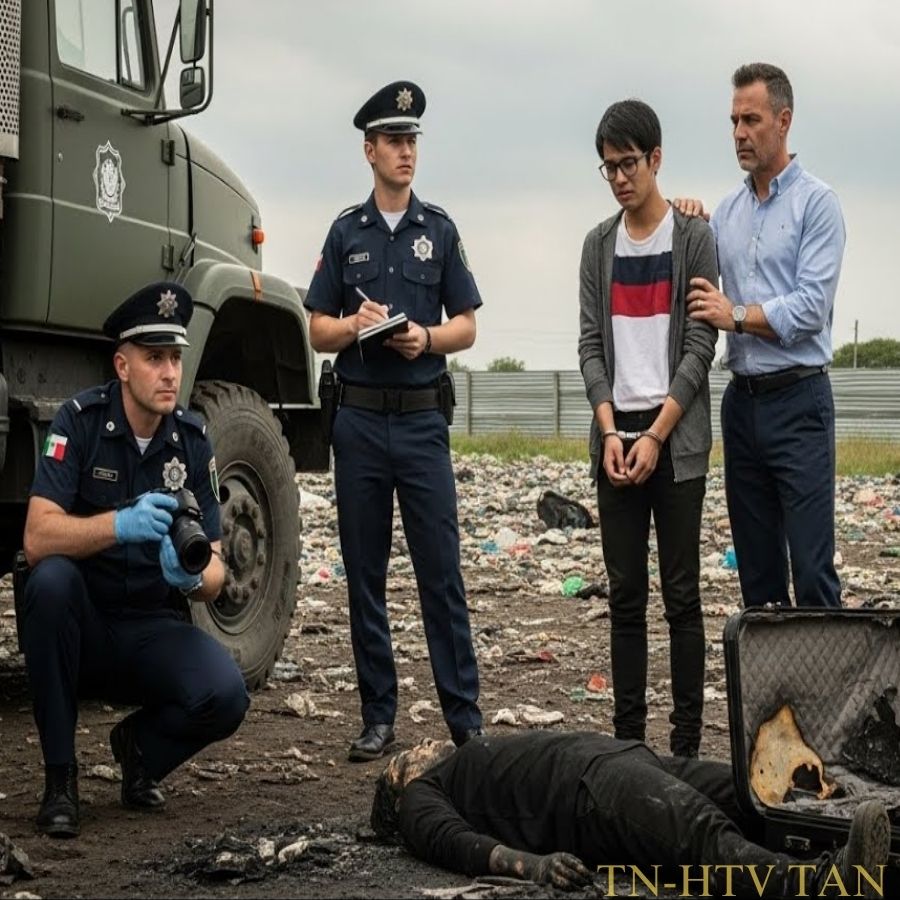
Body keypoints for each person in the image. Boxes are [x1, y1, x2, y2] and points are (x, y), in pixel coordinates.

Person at [21, 282, 250, 838]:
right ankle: (60, 779)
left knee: (227, 694)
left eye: (175, 357)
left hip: (152, 624)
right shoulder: (78, 423)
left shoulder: (193, 441)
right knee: (46, 582)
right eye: (154, 359)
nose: (170, 372)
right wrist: (116, 525)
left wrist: (192, 575)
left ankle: (140, 752)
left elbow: (218, 572)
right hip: (87, 625)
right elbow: (36, 536)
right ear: (122, 366)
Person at [304, 81, 483, 761]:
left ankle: (464, 718)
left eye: (413, 141)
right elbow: (317, 327)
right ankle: (378, 716)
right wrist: (354, 325)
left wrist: (426, 340)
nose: (407, 152)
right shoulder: (344, 232)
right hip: (358, 423)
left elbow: (466, 324)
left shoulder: (438, 230)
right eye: (395, 141)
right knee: (365, 575)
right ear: (369, 150)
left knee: (442, 574)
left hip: (419, 421)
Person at [578, 99, 718, 758]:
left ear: (655, 158)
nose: (618, 178)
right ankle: (628, 748)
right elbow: (589, 346)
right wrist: (610, 431)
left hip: (675, 435)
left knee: (681, 595)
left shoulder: (692, 237)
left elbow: (699, 347)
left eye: (628, 164)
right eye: (608, 167)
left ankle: (686, 748)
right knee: (627, 596)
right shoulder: (598, 244)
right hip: (616, 433)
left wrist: (656, 435)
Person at [686, 63, 845, 609]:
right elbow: (698, 276)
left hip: (799, 401)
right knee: (757, 577)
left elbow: (810, 309)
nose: (738, 133)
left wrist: (734, 316)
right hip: (743, 406)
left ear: (783, 120)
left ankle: (826, 696)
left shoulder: (817, 205)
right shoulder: (726, 212)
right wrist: (687, 219)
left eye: (751, 119)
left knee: (812, 569)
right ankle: (772, 699)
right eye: (733, 121)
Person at [371, 732, 891, 898]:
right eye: (402, 759)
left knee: (756, 795)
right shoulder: (421, 794)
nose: (415, 749)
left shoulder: (461, 757)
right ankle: (825, 883)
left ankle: (874, 846)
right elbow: (459, 845)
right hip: (591, 791)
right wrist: (534, 867)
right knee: (704, 838)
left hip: (625, 759)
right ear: (396, 785)